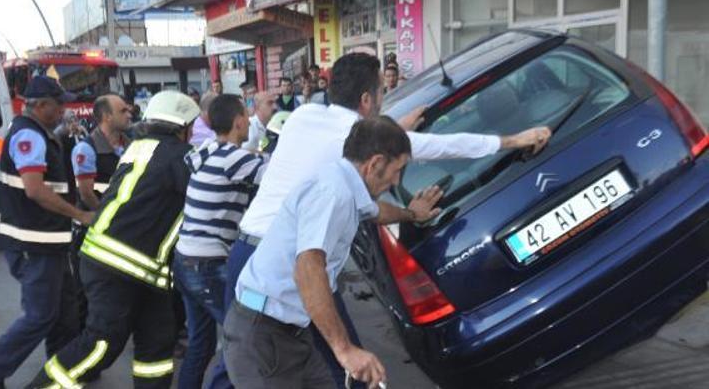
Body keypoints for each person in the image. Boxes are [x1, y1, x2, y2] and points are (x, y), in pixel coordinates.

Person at [206, 52, 552, 389]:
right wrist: (513, 140)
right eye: (383, 95)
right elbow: (442, 146)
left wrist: (409, 210)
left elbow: (369, 199)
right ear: (368, 99)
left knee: (246, 363)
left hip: (248, 255)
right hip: (291, 269)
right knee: (323, 355)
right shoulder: (337, 183)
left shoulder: (305, 117)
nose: (397, 181)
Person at [25, 91, 200, 389]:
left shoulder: (141, 146)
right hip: (118, 263)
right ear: (184, 126)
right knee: (101, 344)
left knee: (157, 346)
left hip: (140, 270)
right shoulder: (176, 156)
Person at [226, 116, 412, 388]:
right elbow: (308, 268)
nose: (396, 181)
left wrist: (412, 214)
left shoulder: (345, 183)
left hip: (288, 332)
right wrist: (345, 350)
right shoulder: (333, 193)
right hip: (264, 337)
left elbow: (376, 211)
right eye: (397, 171)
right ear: (375, 164)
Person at [0, 76, 94, 389]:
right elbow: (35, 190)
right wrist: (80, 215)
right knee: (39, 315)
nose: (64, 109)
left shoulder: (38, 133)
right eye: (58, 104)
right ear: (39, 105)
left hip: (47, 242)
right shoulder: (29, 135)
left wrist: (62, 135)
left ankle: (62, 373)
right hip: (34, 243)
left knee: (64, 313)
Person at [173, 94, 270, 389]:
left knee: (201, 343)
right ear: (240, 121)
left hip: (185, 260)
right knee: (242, 333)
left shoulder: (206, 150)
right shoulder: (235, 158)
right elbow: (277, 173)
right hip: (207, 265)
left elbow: (246, 159)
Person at [69, 94, 132, 333]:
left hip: (122, 229)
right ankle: (81, 342)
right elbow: (86, 194)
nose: (129, 114)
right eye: (123, 110)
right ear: (107, 116)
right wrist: (107, 218)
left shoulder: (131, 144)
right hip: (93, 230)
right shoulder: (86, 148)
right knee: (85, 291)